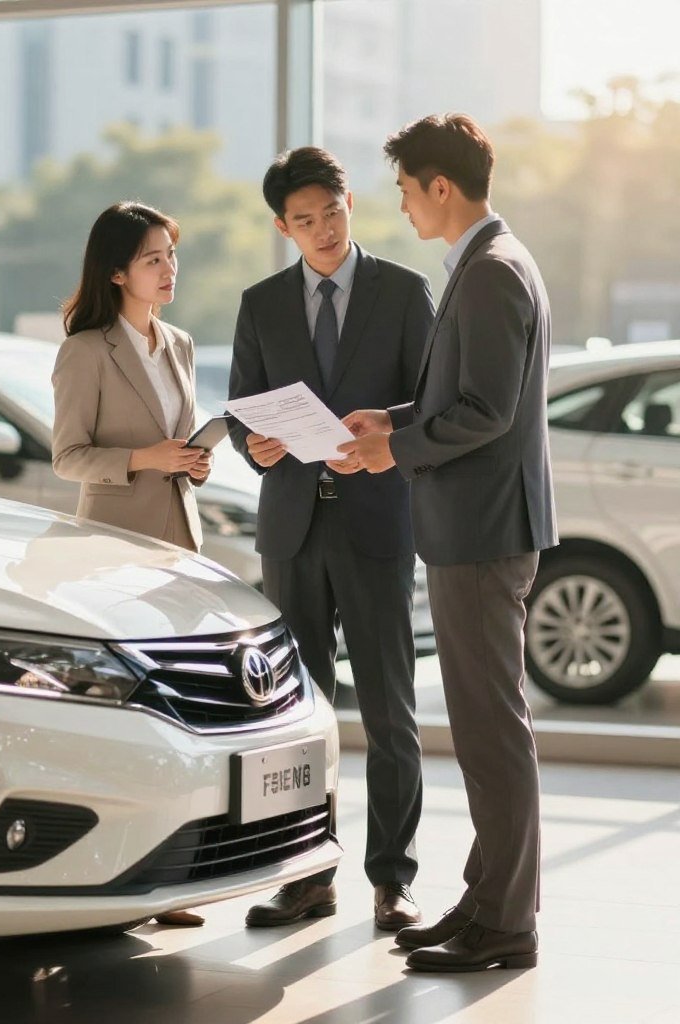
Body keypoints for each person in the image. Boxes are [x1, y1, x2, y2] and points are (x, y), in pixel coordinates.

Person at [336, 113, 558, 972]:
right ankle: (486, 901)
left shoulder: (492, 270)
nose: (401, 208)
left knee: (491, 733)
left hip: (482, 531)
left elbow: (486, 411)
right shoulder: (489, 261)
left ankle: (506, 923)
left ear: (440, 186)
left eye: (405, 191)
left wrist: (396, 448)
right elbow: (463, 396)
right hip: (479, 527)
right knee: (483, 729)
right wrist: (390, 418)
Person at [229, 147, 435, 930]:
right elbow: (244, 405)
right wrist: (256, 445)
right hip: (292, 529)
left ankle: (393, 878)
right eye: (304, 220)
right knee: (296, 718)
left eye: (332, 212)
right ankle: (308, 876)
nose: (322, 230)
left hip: (377, 522)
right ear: (283, 227)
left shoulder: (404, 292)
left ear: (350, 205)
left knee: (389, 710)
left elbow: (431, 403)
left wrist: (387, 435)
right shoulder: (261, 303)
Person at [52, 201, 211, 928]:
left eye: (171, 255)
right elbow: (68, 457)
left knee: (177, 717)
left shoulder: (179, 343)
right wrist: (146, 458)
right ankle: (115, 879)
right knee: (127, 720)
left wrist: (194, 463)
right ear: (117, 272)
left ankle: (169, 879)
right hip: (114, 553)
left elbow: (180, 443)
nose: (169, 268)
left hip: (179, 550)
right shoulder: (86, 351)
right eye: (153, 259)